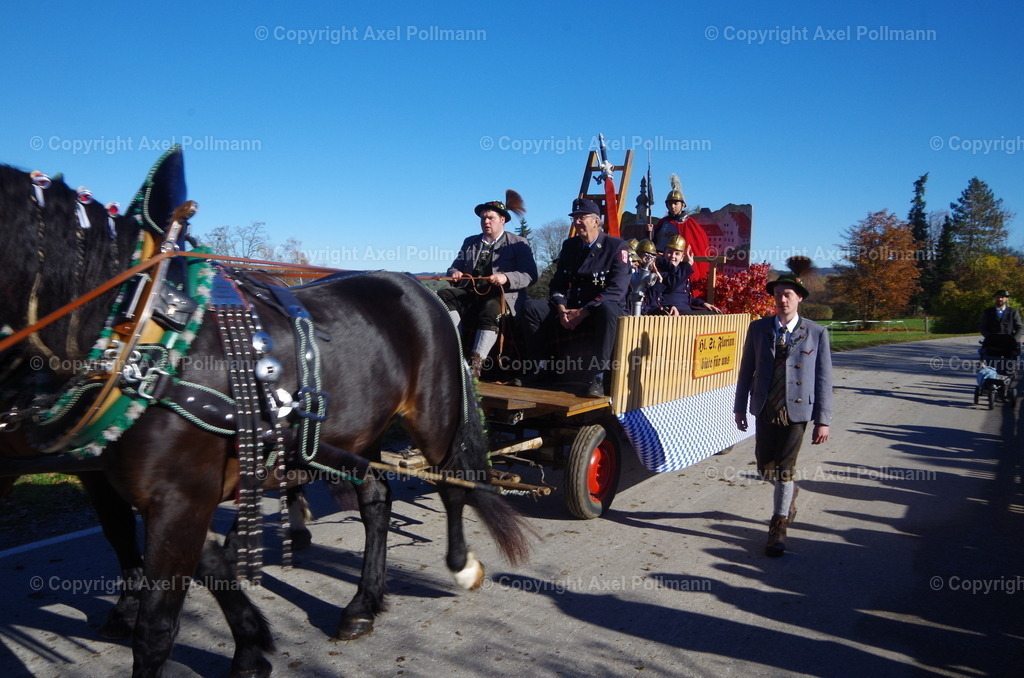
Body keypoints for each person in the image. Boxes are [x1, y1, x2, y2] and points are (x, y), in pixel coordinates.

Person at [733, 261, 832, 557]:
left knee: (785, 468)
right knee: (766, 467)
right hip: (765, 406)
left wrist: (823, 420)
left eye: (787, 294)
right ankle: (790, 490)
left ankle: (778, 527)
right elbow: (746, 370)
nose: (782, 299)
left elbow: (823, 379)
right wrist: (740, 407)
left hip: (797, 411)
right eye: (778, 294)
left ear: (799, 297)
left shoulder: (816, 332)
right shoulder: (758, 328)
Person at [520, 198, 631, 397]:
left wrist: (584, 311)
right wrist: (561, 308)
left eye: (582, 217)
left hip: (599, 309)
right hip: (572, 309)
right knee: (532, 307)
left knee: (607, 309)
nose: (577, 222)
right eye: (574, 218)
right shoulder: (570, 246)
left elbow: (617, 289)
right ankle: (540, 368)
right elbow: (558, 284)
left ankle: (598, 377)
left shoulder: (616, 246)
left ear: (596, 221)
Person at [439, 193, 538, 378]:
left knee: (491, 308)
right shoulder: (470, 242)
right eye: (483, 218)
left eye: (490, 218)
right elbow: (453, 267)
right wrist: (454, 273)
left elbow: (530, 275)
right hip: (470, 293)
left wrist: (506, 277)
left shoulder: (518, 243)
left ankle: (476, 363)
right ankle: (457, 350)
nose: (486, 221)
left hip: (502, 297)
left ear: (502, 220)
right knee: (444, 295)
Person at [651, 174, 710, 283]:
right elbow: (654, 244)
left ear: (683, 205)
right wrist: (649, 232)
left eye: (675, 203)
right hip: (662, 265)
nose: (672, 206)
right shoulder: (662, 222)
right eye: (670, 203)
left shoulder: (690, 224)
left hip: (681, 266)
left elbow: (697, 247)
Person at [642, 235, 720, 315]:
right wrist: (688, 265)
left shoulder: (681, 272)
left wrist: (702, 303)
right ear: (664, 253)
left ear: (682, 257)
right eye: (669, 252)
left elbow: (685, 298)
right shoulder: (660, 269)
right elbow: (672, 283)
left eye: (677, 254)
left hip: (685, 311)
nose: (673, 256)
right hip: (672, 311)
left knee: (715, 313)